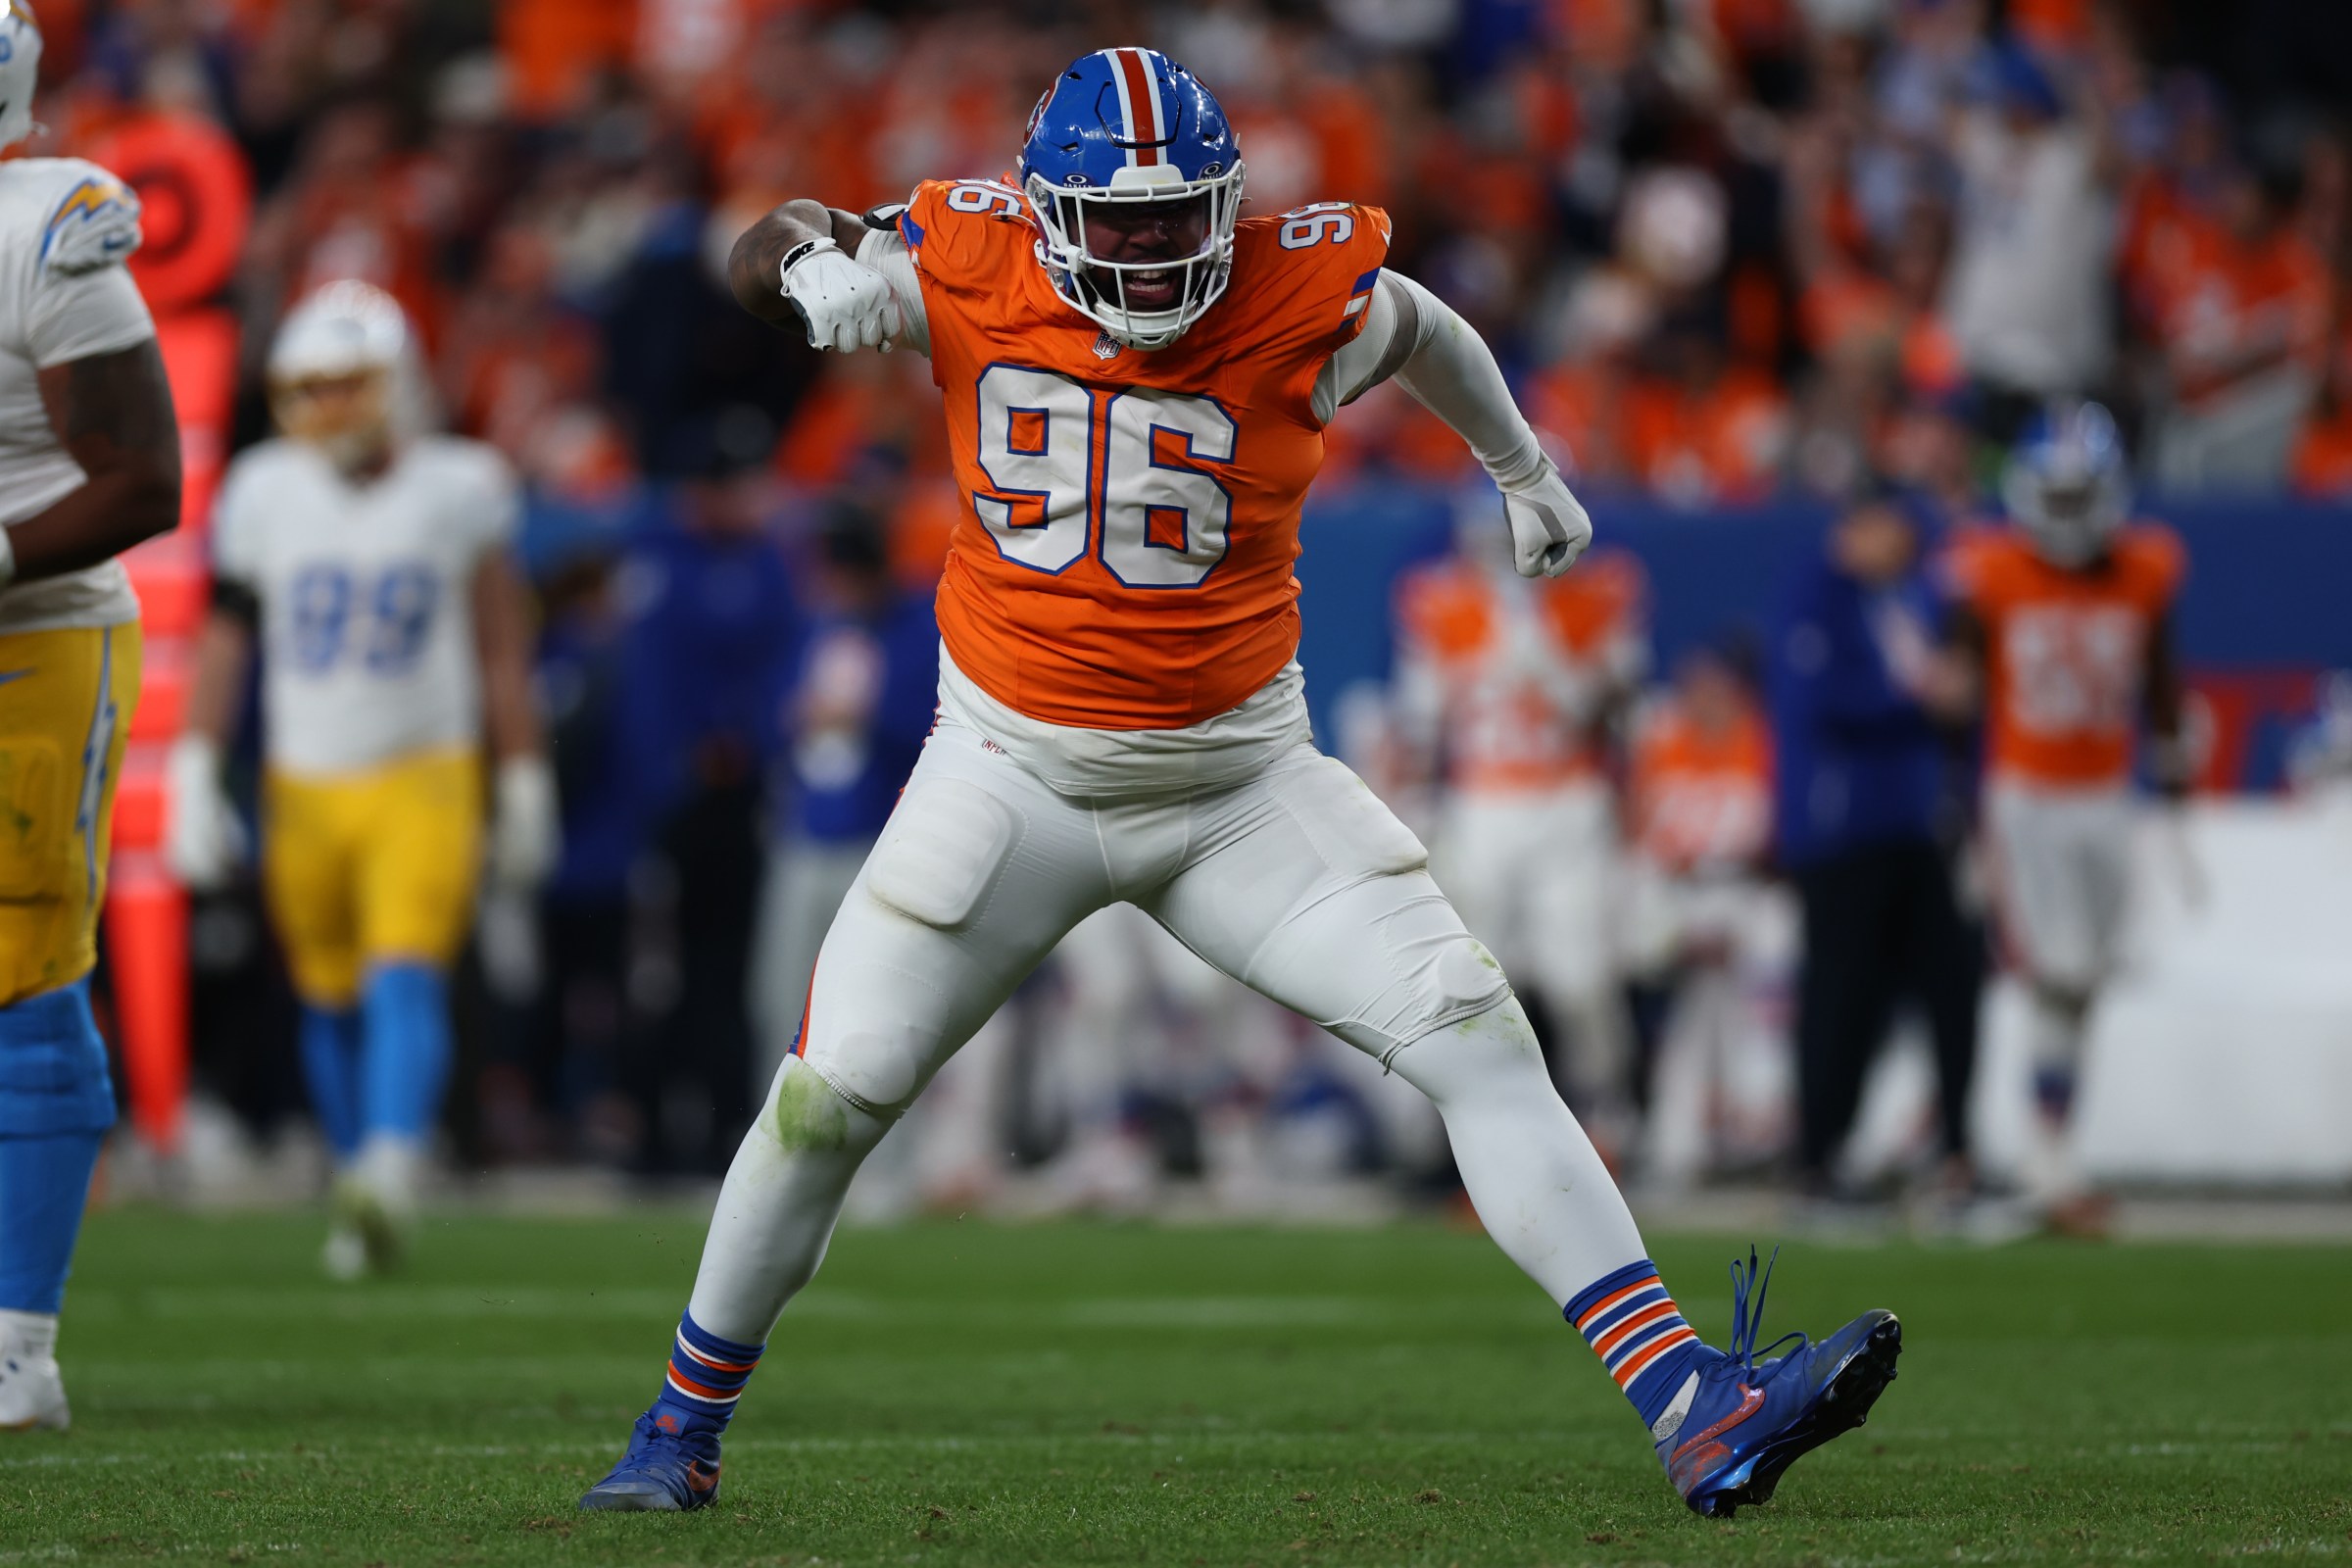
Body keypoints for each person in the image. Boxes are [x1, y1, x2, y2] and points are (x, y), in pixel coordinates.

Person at [580, 48, 1899, 1520]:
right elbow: (763, 245)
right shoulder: (966, 258)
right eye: (1121, 219)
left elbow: (1427, 328)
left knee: (1475, 1034)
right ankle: (680, 1424)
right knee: (826, 1102)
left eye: (1177, 214)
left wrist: (1521, 465)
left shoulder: (1297, 287)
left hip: (1238, 787)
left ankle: (1692, 1405)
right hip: (1008, 775)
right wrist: (807, 266)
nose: (1153, 248)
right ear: (1051, 210)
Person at [168, 281, 557, 1278]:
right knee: (328, 996)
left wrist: (522, 774)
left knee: (403, 970)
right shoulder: (263, 488)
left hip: (426, 769)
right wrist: (195, 761)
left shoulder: (461, 483)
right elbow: (227, 636)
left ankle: (389, 1163)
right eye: (313, 387)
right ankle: (358, 1184)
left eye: (348, 384)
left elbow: (500, 646)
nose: (329, 407)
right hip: (302, 778)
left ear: (399, 381)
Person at [0, 0, 183, 1431]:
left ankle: (19, 1350)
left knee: (22, 967)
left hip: (34, 635)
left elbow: (142, 479)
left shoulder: (43, 224)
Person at [1936, 404, 2187, 1235]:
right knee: (2057, 975)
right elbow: (1960, 698)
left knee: (2084, 983)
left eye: (2083, 496)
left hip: (2106, 795)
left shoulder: (2146, 567)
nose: (2071, 514)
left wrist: (2174, 772)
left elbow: (2159, 673)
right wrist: (1958, 806)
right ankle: (2045, 1163)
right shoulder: (1993, 569)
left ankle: (2055, 1153)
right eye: (2060, 496)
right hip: (2029, 798)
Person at [1390, 507, 1648, 1144]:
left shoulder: (1600, 590)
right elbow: (1421, 717)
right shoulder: (1437, 598)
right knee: (1473, 979)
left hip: (1570, 803)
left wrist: (1549, 655)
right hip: (1482, 803)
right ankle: (1471, 1124)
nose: (1506, 551)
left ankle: (1609, 1111)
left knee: (1579, 980)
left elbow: (1617, 705)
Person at [1769, 486, 1982, 1202]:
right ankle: (1817, 1156)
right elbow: (1824, 700)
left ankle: (1956, 1150)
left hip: (1916, 824)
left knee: (1950, 984)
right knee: (1841, 994)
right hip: (1842, 828)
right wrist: (1921, 700)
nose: (1899, 542)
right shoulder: (1817, 597)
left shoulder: (1913, 600)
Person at [748, 504, 939, 1086]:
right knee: (780, 994)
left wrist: (864, 717)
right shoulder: (812, 627)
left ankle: (890, 1140)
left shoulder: (915, 628)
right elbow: (770, 720)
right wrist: (794, 718)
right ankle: (772, 1119)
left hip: (879, 843)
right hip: (804, 837)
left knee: (878, 1006)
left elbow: (933, 729)